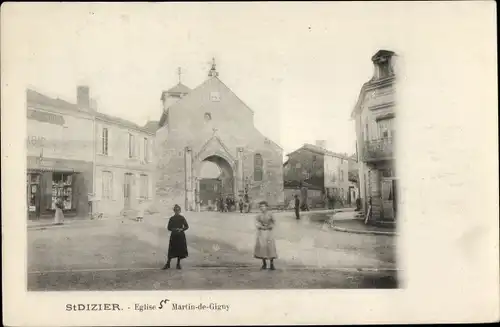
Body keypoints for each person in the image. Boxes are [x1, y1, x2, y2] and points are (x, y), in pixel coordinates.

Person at [163, 204, 189, 270]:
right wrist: (174, 229)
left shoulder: (182, 218)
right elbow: (169, 228)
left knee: (179, 250)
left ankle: (178, 264)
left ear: (180, 211)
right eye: (176, 210)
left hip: (180, 235)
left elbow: (186, 226)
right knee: (171, 250)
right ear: (174, 211)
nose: (177, 212)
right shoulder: (172, 218)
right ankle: (168, 263)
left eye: (178, 210)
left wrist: (181, 229)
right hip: (174, 235)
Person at [254, 201, 277, 270]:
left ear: (266, 207)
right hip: (261, 232)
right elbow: (256, 222)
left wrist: (270, 226)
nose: (262, 208)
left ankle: (272, 264)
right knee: (262, 247)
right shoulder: (259, 215)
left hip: (269, 232)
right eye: (261, 206)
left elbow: (274, 222)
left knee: (270, 247)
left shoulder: (270, 214)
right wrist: (260, 226)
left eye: (263, 206)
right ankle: (264, 264)